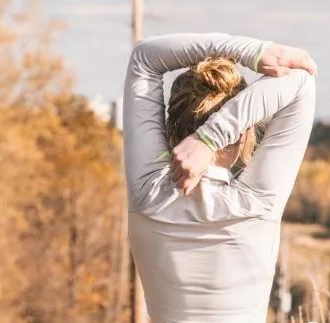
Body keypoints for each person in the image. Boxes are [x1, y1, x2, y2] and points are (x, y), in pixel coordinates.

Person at [123, 33, 317, 322]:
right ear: (243, 133)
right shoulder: (255, 205)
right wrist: (209, 139)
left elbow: (145, 57)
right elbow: (301, 81)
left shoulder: (147, 192)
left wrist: (256, 52)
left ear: (170, 124)